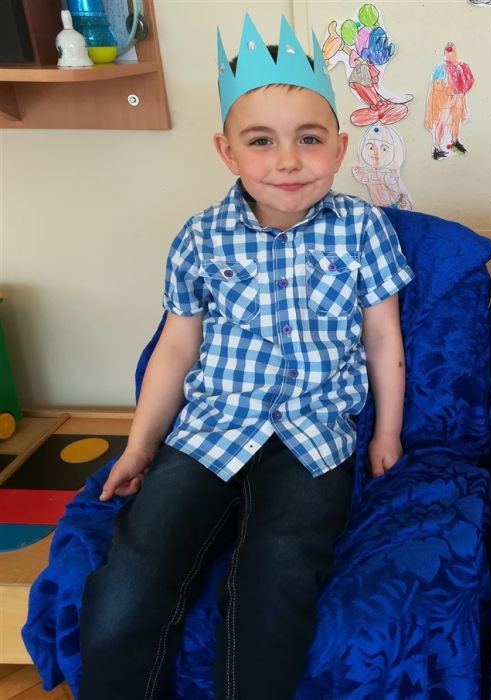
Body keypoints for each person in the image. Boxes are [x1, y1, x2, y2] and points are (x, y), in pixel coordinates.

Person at [78, 14, 413, 699]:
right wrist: (140, 447)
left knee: (279, 569)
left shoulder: (363, 228)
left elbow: (383, 338)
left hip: (314, 438)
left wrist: (386, 433)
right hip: (210, 429)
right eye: (261, 141)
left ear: (339, 148)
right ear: (227, 152)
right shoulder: (200, 237)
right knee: (135, 567)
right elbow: (177, 346)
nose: (287, 161)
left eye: (309, 140)